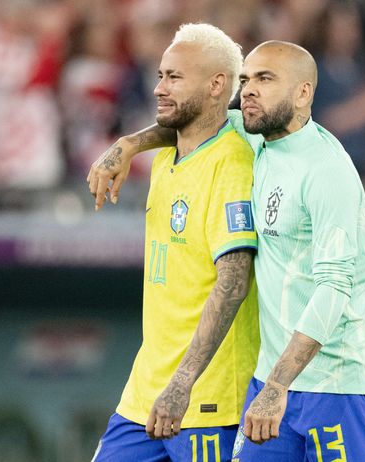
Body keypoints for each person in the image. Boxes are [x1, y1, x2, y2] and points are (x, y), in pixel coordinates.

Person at [88, 40, 365, 461]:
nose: (248, 90)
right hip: (268, 382)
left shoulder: (327, 171)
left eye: (264, 79)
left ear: (303, 93)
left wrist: (278, 385)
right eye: (244, 79)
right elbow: (188, 119)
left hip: (335, 385)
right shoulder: (257, 139)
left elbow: (334, 288)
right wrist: (128, 146)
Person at [90, 23, 260, 462]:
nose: (160, 88)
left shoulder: (234, 165)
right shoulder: (167, 154)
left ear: (217, 84)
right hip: (144, 391)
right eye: (160, 75)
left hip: (206, 399)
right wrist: (129, 143)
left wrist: (182, 384)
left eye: (175, 78)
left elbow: (233, 283)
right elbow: (179, 125)